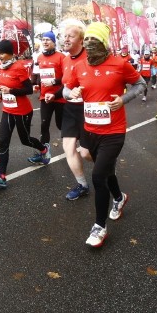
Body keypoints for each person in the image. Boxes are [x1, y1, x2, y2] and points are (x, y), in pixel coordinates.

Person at [63, 22, 145, 247]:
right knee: (105, 170)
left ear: (103, 43)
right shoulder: (79, 66)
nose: (88, 44)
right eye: (86, 40)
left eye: (94, 40)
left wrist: (123, 99)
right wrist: (72, 92)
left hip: (113, 132)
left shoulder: (119, 64)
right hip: (90, 129)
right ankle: (119, 197)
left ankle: (99, 227)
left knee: (98, 176)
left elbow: (141, 84)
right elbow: (65, 90)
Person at [0, 39, 50, 188]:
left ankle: (43, 149)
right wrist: (2, 96)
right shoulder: (2, 68)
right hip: (7, 110)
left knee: (25, 140)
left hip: (22, 112)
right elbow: (6, 88)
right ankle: (1, 176)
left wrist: (11, 91)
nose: (0, 56)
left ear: (10, 54)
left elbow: (28, 89)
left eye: (3, 53)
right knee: (3, 141)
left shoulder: (18, 67)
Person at [56, 19, 91, 201]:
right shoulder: (65, 60)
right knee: (68, 148)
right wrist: (62, 93)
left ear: (81, 40)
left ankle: (106, 167)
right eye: (65, 35)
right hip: (71, 108)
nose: (67, 38)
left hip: (88, 109)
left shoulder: (91, 58)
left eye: (71, 35)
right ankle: (83, 185)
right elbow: (65, 86)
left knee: (86, 153)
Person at [29, 31, 64, 163]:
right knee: (44, 125)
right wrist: (36, 85)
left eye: (48, 40)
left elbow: (67, 78)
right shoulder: (39, 57)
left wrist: (54, 82)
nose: (45, 42)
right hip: (45, 97)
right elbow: (38, 75)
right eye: (43, 40)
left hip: (60, 97)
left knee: (60, 125)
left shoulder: (61, 57)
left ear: (54, 42)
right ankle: (44, 153)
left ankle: (75, 141)